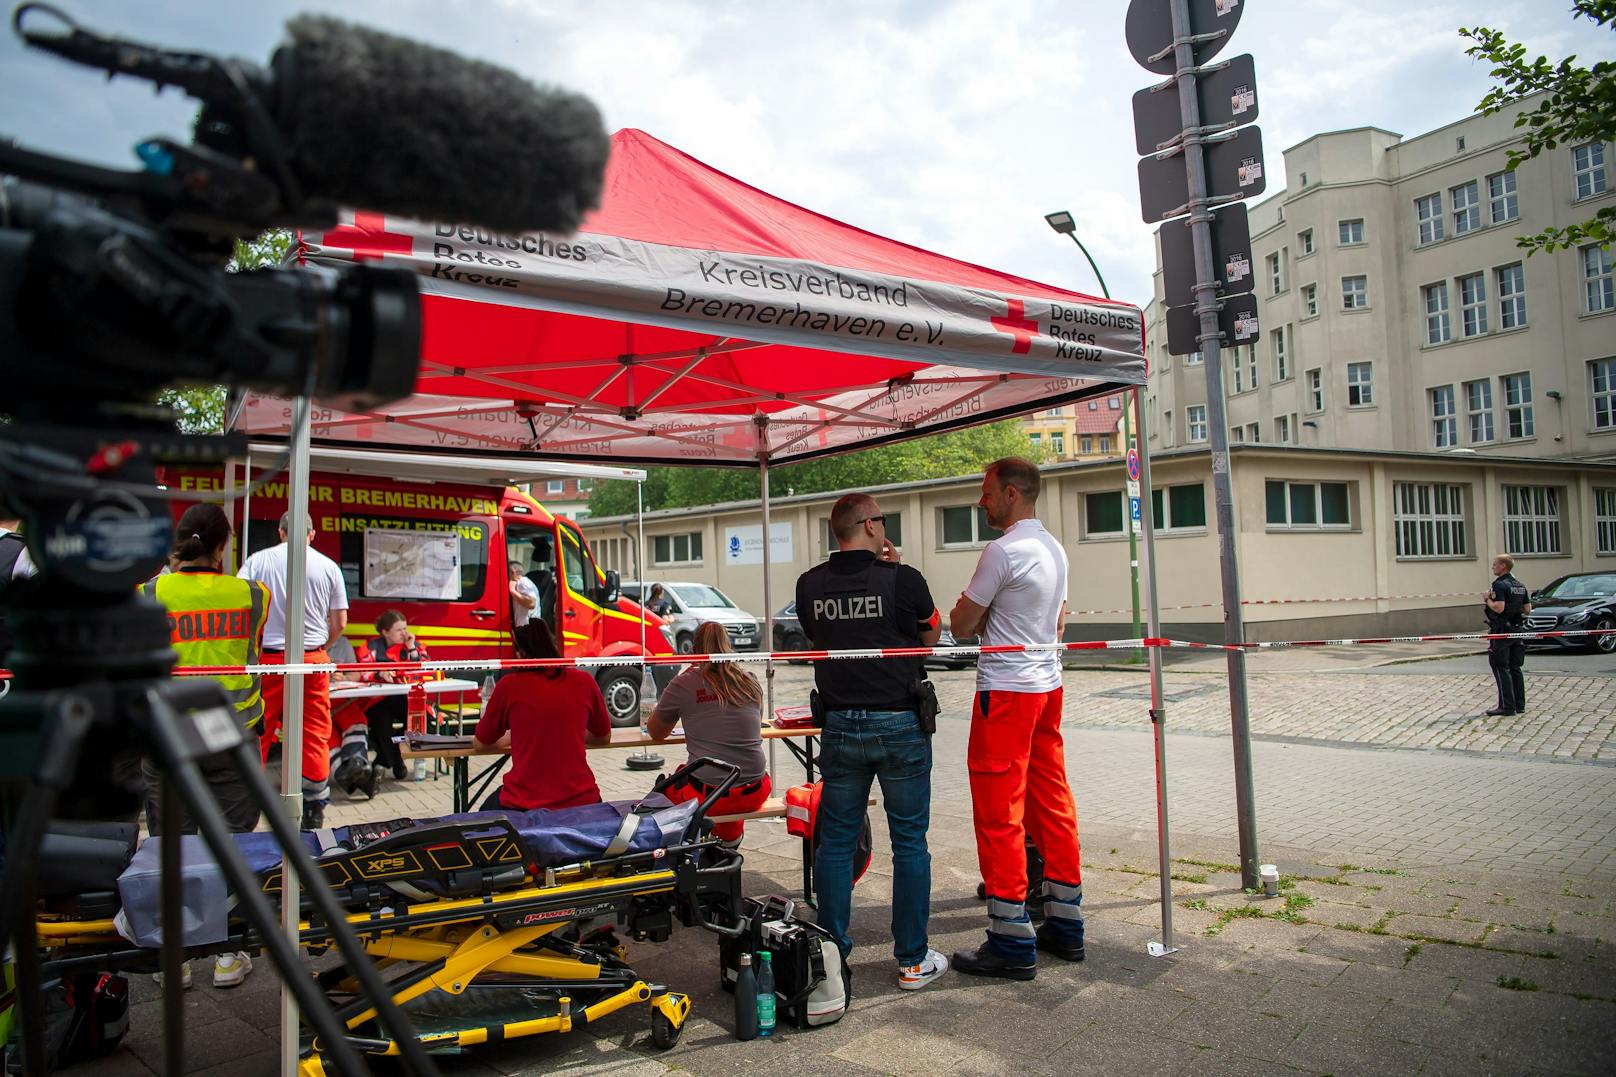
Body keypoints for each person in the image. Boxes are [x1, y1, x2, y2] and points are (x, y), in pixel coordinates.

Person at [795, 493, 948, 993]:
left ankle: (832, 955)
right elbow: (930, 638)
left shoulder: (809, 585)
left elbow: (820, 637)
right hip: (899, 723)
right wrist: (898, 571)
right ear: (867, 526)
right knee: (909, 843)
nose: (886, 527)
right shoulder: (902, 579)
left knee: (835, 841)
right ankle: (911, 960)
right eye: (882, 520)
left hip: (840, 724)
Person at [948, 457, 1084, 981]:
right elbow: (1061, 619)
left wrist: (976, 614)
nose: (980, 501)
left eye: (985, 492)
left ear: (1010, 494)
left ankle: (1010, 937)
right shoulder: (1054, 548)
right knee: (1051, 801)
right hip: (1048, 686)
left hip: (1005, 691)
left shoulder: (1001, 551)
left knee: (998, 809)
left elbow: (961, 624)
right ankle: (1065, 924)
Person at [140, 503, 270, 989]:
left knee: (171, 843)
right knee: (235, 843)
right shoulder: (253, 595)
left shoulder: (151, 593)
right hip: (230, 736)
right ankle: (229, 954)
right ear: (223, 547)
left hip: (169, 738)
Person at [239, 511, 349, 831]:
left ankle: (246, 803)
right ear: (312, 535)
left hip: (269, 661)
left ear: (281, 532)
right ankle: (313, 806)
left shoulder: (257, 562)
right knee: (314, 733)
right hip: (312, 661)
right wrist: (321, 647)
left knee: (257, 732)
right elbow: (340, 621)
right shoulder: (328, 566)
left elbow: (242, 605)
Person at [647, 620, 770, 846]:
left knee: (674, 785)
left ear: (693, 650)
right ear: (728, 646)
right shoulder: (749, 680)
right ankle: (730, 839)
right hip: (756, 789)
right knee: (725, 777)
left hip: (710, 794)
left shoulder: (683, 683)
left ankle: (685, 846)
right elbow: (754, 723)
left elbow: (656, 733)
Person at [473, 619, 611, 810]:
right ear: (552, 644)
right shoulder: (584, 681)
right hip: (582, 799)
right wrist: (569, 732)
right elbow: (603, 737)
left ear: (520, 654)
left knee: (483, 813)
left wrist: (517, 735)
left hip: (524, 801)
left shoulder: (509, 686)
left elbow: (481, 742)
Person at [358, 610, 432, 778]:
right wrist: (379, 674)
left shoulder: (415, 646)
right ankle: (397, 761)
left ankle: (386, 760)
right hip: (378, 700)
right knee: (382, 724)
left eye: (405, 628)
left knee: (417, 720)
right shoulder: (370, 648)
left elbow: (426, 669)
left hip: (406, 698)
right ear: (385, 632)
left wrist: (411, 648)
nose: (404, 633)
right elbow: (361, 672)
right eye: (399, 630)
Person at [1484, 554, 1532, 717]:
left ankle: (1506, 706)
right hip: (1517, 630)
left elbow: (1499, 608)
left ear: (1503, 566)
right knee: (1515, 667)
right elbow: (1528, 610)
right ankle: (1519, 705)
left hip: (1502, 632)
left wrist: (1487, 599)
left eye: (1495, 564)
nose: (1493, 567)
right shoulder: (1520, 585)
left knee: (1500, 666)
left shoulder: (1500, 584)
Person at [509, 560, 539, 627]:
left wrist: (512, 591)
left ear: (513, 572)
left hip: (526, 628)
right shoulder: (526, 582)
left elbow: (531, 603)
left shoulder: (523, 583)